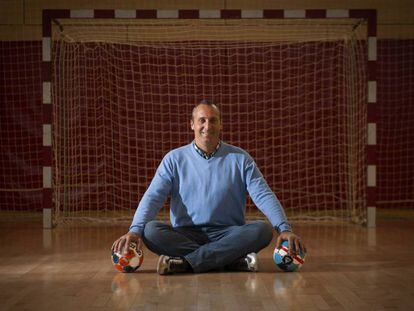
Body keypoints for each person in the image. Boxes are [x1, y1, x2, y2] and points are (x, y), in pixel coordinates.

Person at [112, 99, 306, 275]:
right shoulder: (174, 159)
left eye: (213, 120)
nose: (207, 126)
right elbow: (153, 196)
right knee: (150, 231)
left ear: (220, 124)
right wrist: (135, 230)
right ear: (192, 125)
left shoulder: (240, 158)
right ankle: (229, 260)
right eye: (202, 120)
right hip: (186, 234)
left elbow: (263, 194)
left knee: (261, 230)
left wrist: (284, 228)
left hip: (229, 233)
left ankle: (186, 263)